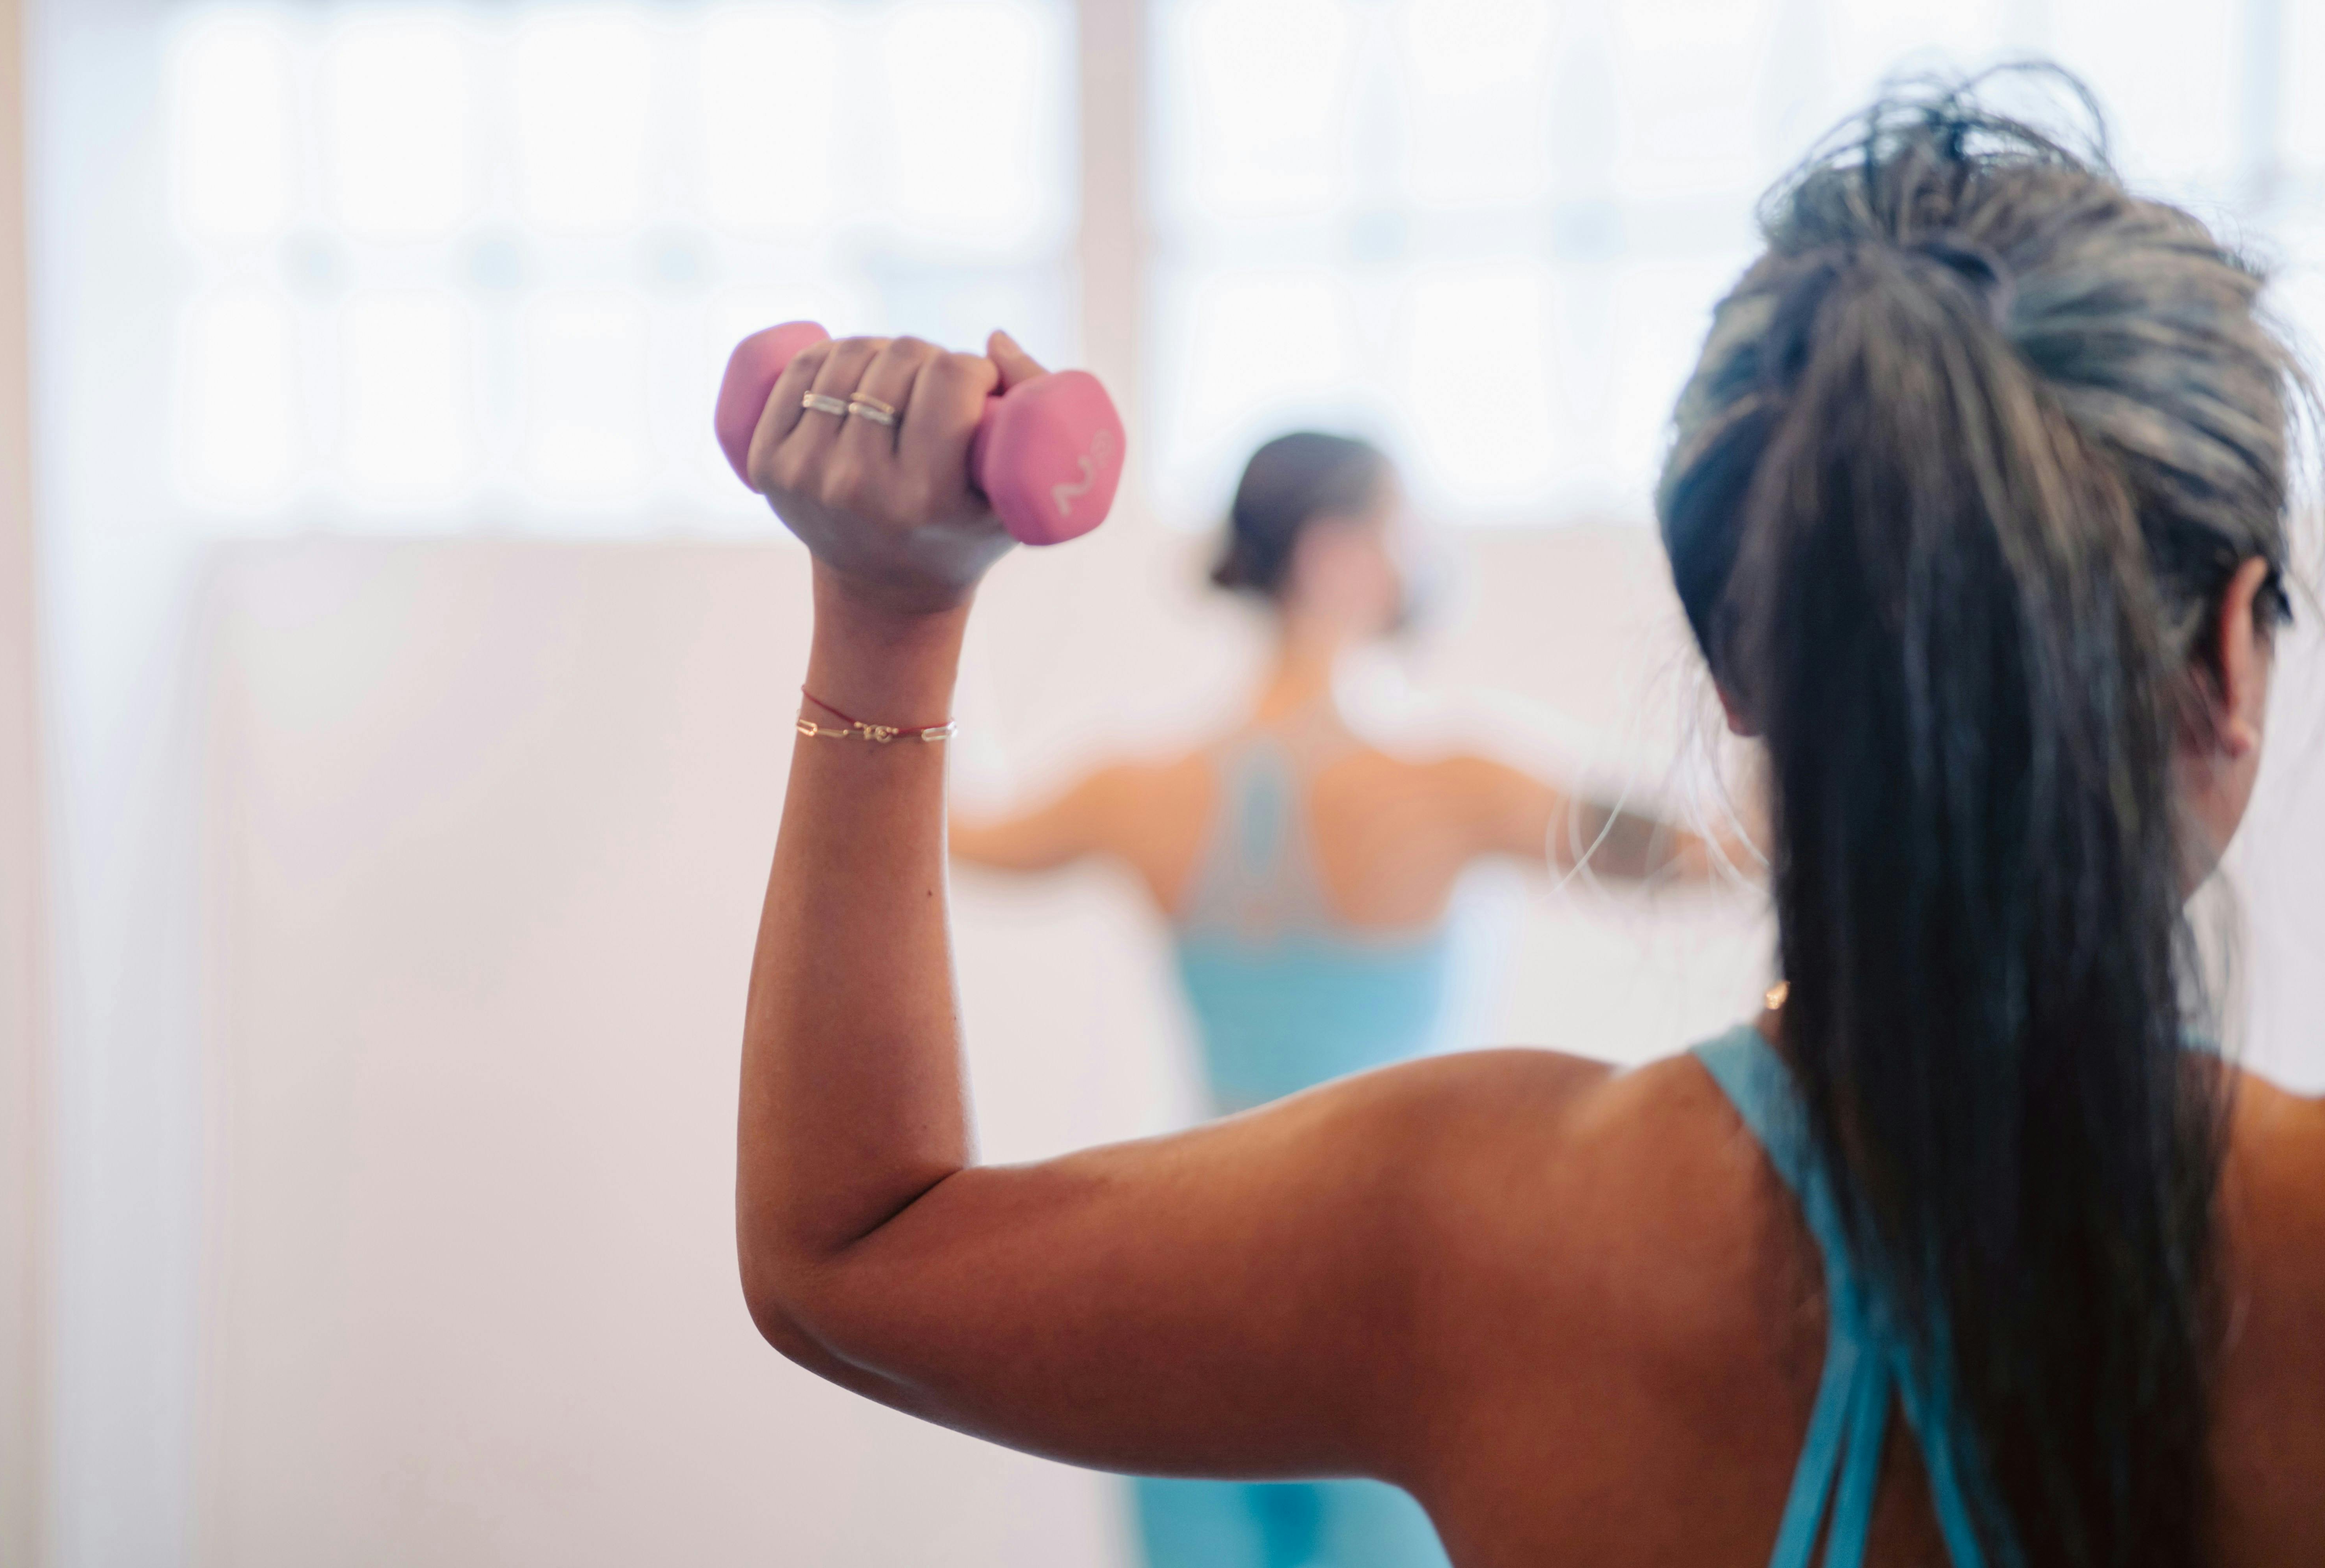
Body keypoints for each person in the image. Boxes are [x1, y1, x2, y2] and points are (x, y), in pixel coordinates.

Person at [732, 80, 2325, 1568]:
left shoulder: (1455, 1231)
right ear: (2231, 645)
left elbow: (853, 1249)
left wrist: (893, 606)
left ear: (1738, 658)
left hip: (1248, 1311)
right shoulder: (1466, 785)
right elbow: (1697, 853)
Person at [949, 431, 1713, 1568]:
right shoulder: (1452, 784)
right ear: (1339, 554)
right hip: (1392, 1297)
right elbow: (1716, 854)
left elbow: (961, 827)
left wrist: (933, 579)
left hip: (1184, 1278)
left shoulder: (1136, 790)